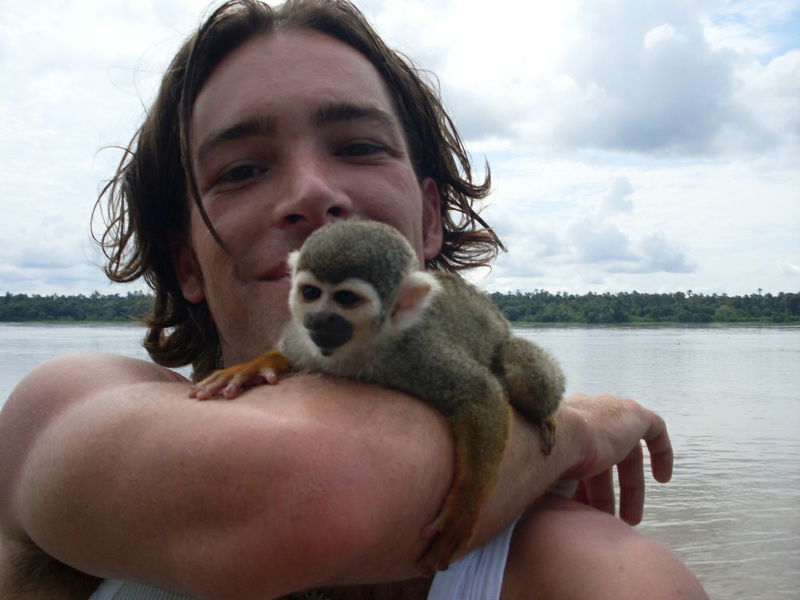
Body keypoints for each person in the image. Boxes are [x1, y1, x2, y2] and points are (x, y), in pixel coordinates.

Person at [0, 1, 707, 599]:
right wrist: (573, 430)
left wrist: (539, 415)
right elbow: (311, 496)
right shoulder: (75, 405)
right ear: (186, 260)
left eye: (361, 147)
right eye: (242, 169)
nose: (312, 193)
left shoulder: (589, 575)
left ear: (428, 223)